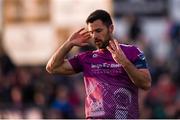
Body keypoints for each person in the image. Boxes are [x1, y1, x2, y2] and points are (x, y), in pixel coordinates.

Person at [46, 9, 152, 119]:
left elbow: (146, 83)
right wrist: (69, 44)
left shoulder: (132, 52)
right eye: (91, 32)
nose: (94, 36)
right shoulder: (86, 58)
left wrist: (124, 62)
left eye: (98, 31)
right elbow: (52, 68)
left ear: (111, 29)